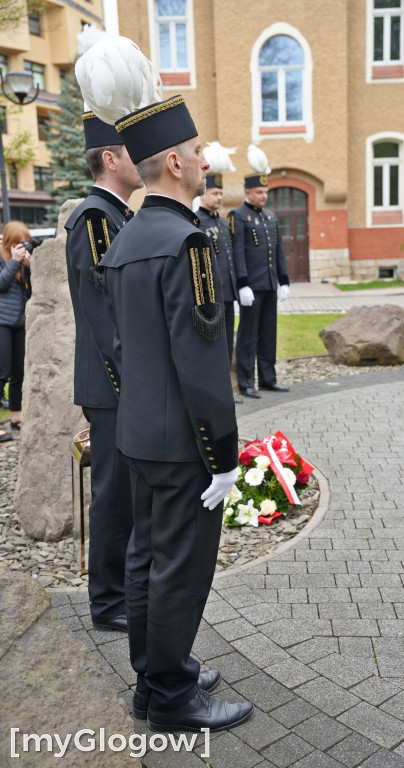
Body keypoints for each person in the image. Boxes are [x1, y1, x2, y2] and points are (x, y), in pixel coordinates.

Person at [97, 95, 253, 732]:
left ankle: (155, 673)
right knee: (181, 572)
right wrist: (223, 456)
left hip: (138, 433)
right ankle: (168, 695)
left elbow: (113, 346)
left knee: (144, 559)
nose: (203, 159)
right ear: (172, 167)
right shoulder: (189, 242)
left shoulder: (127, 239)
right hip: (186, 443)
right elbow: (203, 366)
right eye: (194, 152)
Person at [65, 112, 142, 632]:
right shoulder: (95, 219)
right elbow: (104, 314)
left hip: (121, 385)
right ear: (110, 159)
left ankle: (119, 594)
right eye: (132, 150)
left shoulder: (115, 215)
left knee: (124, 495)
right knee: (113, 498)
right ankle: (108, 602)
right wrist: (132, 382)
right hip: (112, 385)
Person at [228, 173, 290, 398]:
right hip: (251, 288)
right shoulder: (238, 215)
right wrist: (242, 284)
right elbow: (238, 252)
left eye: (266, 192)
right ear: (248, 193)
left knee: (268, 333)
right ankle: (246, 382)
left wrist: (283, 280)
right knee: (248, 335)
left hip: (269, 284)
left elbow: (278, 251)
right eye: (259, 192)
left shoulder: (270, 217)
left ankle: (268, 378)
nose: (264, 196)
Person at [196, 172, 242, 403]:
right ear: (203, 195)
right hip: (212, 295)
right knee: (214, 347)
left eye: (221, 193)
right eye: (215, 193)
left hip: (228, 293)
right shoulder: (196, 222)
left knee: (227, 345)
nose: (219, 197)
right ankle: (217, 392)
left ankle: (227, 389)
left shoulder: (222, 222)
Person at [0, 221, 32, 442]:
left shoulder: (23, 261)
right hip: (1, 321)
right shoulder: (5, 260)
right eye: (17, 243)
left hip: (20, 321)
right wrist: (13, 262)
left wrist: (29, 267)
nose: (21, 247)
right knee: (1, 372)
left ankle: (16, 417)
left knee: (19, 372)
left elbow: (30, 290)